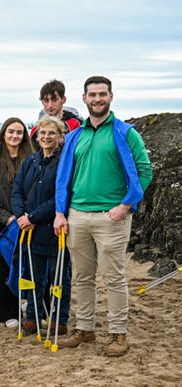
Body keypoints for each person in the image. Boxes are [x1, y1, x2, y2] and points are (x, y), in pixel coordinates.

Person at [54, 76, 153, 356]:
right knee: (83, 277)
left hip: (112, 217)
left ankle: (118, 334)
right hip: (76, 217)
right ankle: (85, 329)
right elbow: (63, 179)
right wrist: (61, 213)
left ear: (111, 97)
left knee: (114, 277)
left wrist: (126, 205)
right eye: (92, 95)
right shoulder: (74, 136)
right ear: (84, 99)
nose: (97, 99)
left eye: (102, 94)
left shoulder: (125, 133)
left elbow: (145, 171)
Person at [12, 116, 70, 335]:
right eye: (43, 133)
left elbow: (61, 196)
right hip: (29, 230)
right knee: (32, 276)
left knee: (58, 277)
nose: (46, 137)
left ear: (60, 136)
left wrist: (32, 217)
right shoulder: (31, 160)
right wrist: (21, 216)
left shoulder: (64, 162)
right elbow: (17, 189)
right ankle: (33, 317)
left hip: (53, 229)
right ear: (36, 136)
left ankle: (58, 319)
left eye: (51, 133)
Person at [0, 117, 33, 328]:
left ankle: (30, 306)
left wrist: (28, 216)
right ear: (3, 134)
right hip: (2, 225)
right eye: (11, 132)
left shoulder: (31, 159)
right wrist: (7, 217)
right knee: (2, 267)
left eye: (19, 132)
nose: (15, 136)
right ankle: (7, 312)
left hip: (28, 222)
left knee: (28, 264)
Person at [30, 79, 83, 149]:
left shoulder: (76, 125)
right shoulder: (36, 130)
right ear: (42, 102)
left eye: (54, 100)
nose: (50, 105)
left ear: (63, 100)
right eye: (46, 100)